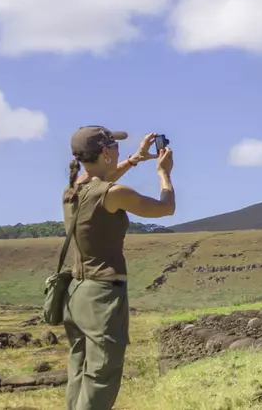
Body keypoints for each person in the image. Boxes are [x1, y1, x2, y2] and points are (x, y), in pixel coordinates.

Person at [62, 126, 176, 409]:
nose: (117, 149)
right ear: (105, 153)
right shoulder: (113, 193)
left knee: (80, 372)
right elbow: (165, 208)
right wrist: (164, 173)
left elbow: (101, 180)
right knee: (102, 376)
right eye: (114, 146)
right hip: (102, 296)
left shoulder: (72, 190)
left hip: (75, 293)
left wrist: (135, 158)